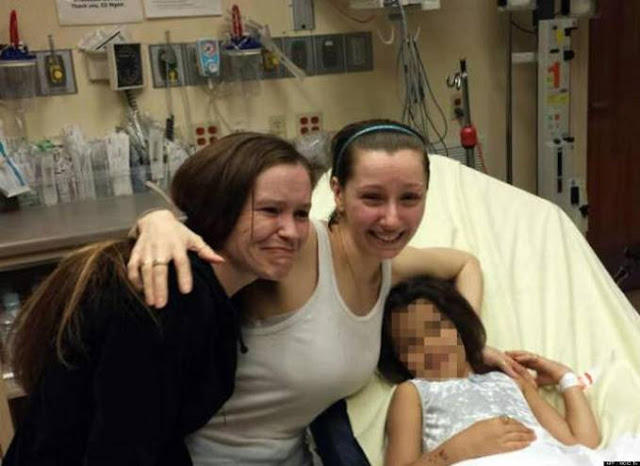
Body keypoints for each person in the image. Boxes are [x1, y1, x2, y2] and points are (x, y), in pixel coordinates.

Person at [128, 119, 531, 465]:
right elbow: (211, 230)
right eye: (372, 198)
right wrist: (157, 220)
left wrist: (469, 344)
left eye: (410, 198)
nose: (392, 219)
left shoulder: (391, 267)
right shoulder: (292, 247)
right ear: (337, 192)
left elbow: (465, 263)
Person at [4, 133, 316, 465]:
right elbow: (121, 450)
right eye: (270, 210)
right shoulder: (172, 294)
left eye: (301, 214)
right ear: (221, 208)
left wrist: (157, 217)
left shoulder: (219, 287)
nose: (291, 231)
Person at [381, 276, 608, 466]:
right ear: (400, 359)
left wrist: (564, 377)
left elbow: (584, 445)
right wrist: (458, 449)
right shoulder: (413, 392)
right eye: (411, 345)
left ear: (458, 326)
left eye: (436, 328)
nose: (429, 347)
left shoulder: (510, 382)